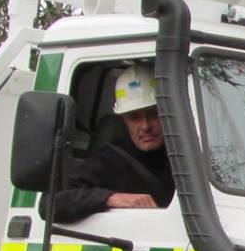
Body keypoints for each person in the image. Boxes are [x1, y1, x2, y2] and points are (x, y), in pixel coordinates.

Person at [49, 65, 176, 223]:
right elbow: (50, 203)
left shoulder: (184, 154)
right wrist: (111, 198)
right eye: (134, 117)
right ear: (123, 120)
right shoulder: (108, 162)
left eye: (153, 114)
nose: (145, 126)